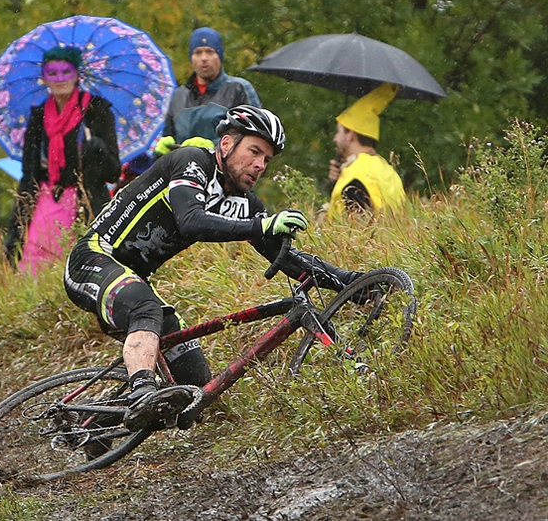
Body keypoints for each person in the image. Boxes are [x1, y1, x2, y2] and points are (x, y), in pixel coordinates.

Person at [64, 105, 363, 432]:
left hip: (134, 278)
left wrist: (350, 283)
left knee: (195, 389)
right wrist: (259, 227)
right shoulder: (192, 162)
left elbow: (287, 259)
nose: (260, 164)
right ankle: (142, 392)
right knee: (145, 306)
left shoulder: (244, 202)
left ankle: (95, 424)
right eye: (254, 151)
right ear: (225, 144)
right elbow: (190, 221)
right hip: (94, 258)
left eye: (267, 159)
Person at [3, 46, 121, 274]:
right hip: (47, 203)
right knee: (38, 268)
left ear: (77, 74)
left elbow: (113, 173)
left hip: (87, 203)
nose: (60, 79)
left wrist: (97, 148)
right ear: (44, 78)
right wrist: (16, 227)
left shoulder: (96, 111)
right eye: (52, 73)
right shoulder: (38, 117)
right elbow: (29, 175)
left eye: (66, 72)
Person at [155, 27, 262, 156]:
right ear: (191, 58)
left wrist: (214, 146)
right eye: (198, 52)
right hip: (184, 172)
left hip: (225, 173)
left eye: (210, 52)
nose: (204, 58)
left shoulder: (238, 89)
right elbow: (169, 136)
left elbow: (255, 137)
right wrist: (162, 149)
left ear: (220, 56)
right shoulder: (178, 96)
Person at [327, 83, 407, 216]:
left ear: (351, 134)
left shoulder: (356, 175)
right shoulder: (387, 170)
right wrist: (335, 182)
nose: (335, 138)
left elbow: (357, 227)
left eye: (339, 131)